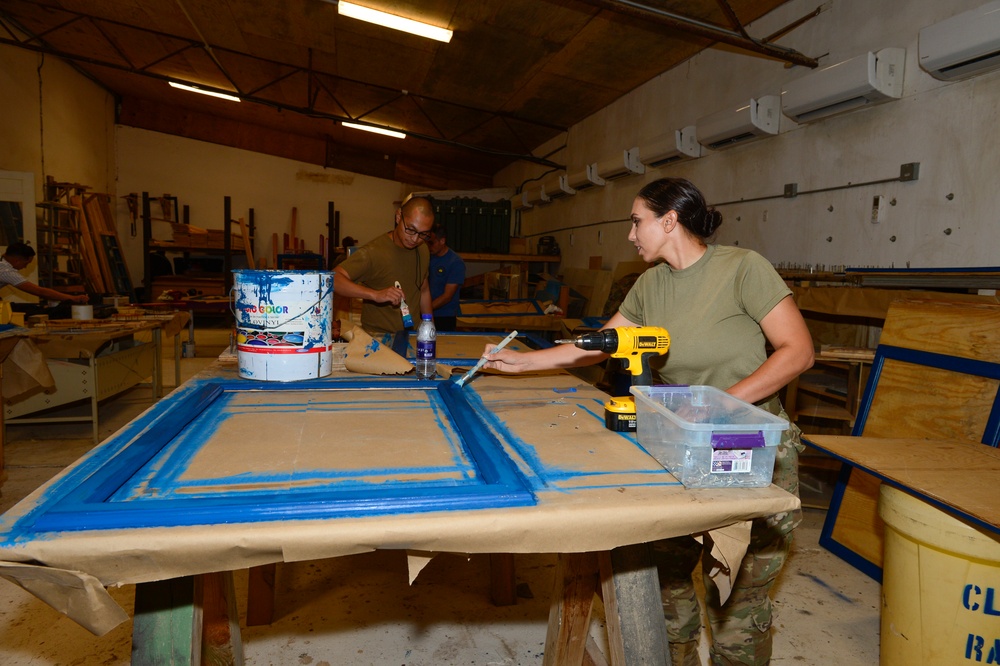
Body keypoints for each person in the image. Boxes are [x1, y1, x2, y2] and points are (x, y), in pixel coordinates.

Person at [482, 177, 814, 666]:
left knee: (738, 608)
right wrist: (522, 362)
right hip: (681, 441)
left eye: (637, 222)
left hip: (750, 442)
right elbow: (598, 343)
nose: (631, 234)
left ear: (670, 220)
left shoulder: (743, 268)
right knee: (667, 587)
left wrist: (717, 404)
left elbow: (798, 352)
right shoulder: (650, 285)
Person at [333, 197, 434, 337]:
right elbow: (333, 279)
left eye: (423, 234)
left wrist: (430, 331)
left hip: (413, 337)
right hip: (379, 340)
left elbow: (424, 290)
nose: (415, 239)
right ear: (398, 217)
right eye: (411, 229)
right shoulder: (373, 253)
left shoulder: (423, 250)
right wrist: (374, 294)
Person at [1, 242, 89, 303]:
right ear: (17, 261)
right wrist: (73, 298)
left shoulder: (2, 262)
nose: (25, 267)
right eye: (26, 263)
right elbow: (40, 292)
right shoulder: (7, 272)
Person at [426, 224, 465, 332]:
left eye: (431, 243)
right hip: (427, 313)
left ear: (442, 241)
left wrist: (425, 309)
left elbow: (447, 296)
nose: (428, 246)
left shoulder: (455, 263)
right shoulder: (428, 257)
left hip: (444, 316)